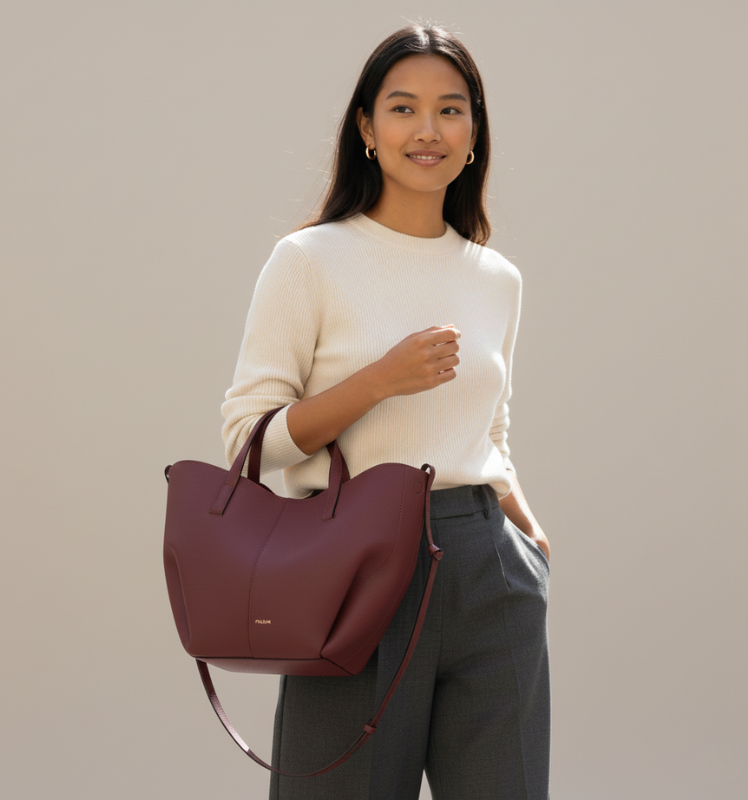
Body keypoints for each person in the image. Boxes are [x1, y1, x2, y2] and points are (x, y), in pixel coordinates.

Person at [221, 22, 552, 800]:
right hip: (354, 563)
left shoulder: (496, 278)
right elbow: (250, 442)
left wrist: (528, 536)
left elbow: (490, 429)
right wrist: (378, 381)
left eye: (451, 109)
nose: (428, 130)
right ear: (367, 129)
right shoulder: (309, 261)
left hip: (486, 563)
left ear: (475, 131)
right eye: (403, 108)